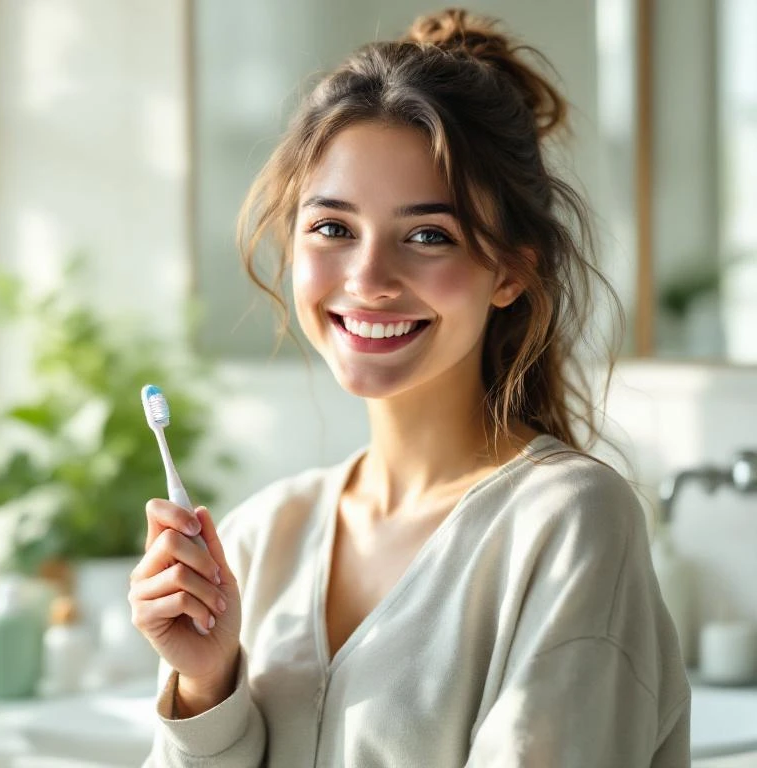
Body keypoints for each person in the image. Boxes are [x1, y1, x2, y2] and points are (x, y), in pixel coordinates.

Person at [128, 8, 690, 766]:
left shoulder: (567, 525)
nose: (368, 281)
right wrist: (205, 688)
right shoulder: (264, 537)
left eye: (429, 235)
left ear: (511, 273)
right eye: (332, 228)